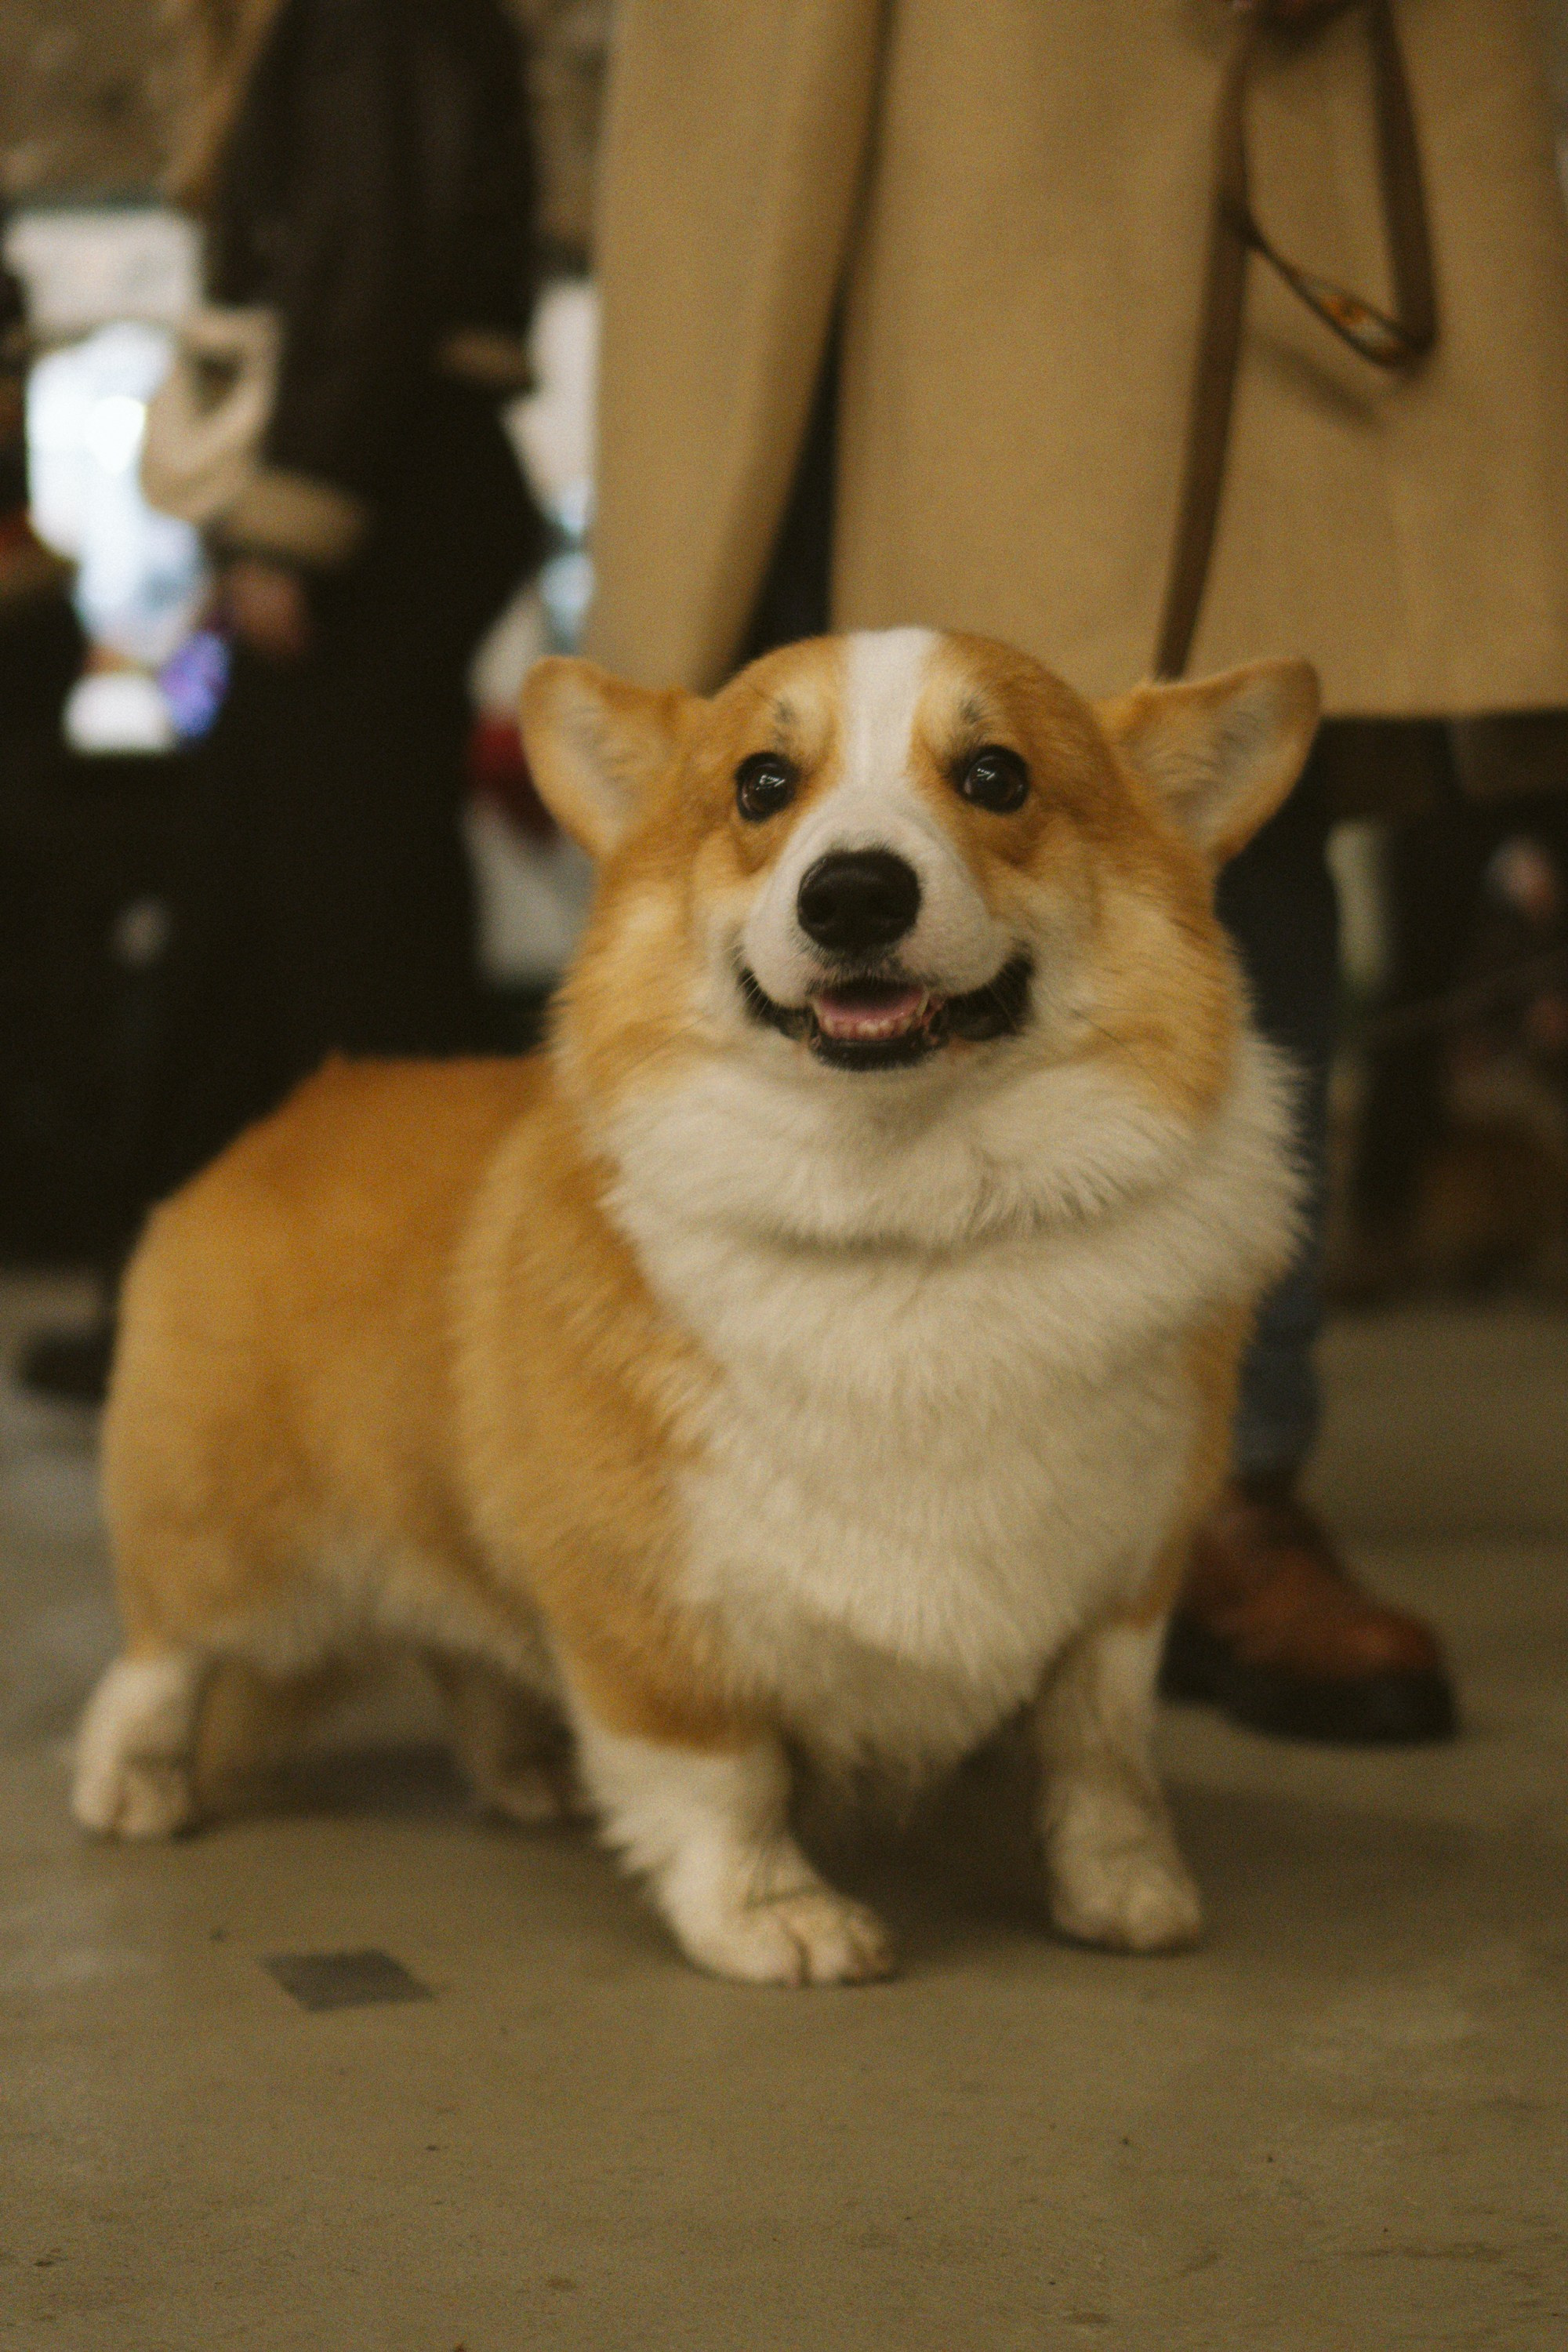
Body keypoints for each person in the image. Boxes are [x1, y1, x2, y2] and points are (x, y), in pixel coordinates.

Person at [581, 0, 1568, 1741]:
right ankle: (748, 1453)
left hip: (1110, 86)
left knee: (1130, 808)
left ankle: (1214, 1483)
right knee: (765, 796)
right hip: (761, 78)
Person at [21, 0, 546, 1401]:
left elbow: (373, 256)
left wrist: (292, 522)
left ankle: (411, 1310)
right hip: (370, 477)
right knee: (248, 913)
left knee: (346, 926)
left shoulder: (373, 17)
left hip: (379, 489)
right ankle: (199, 1301)